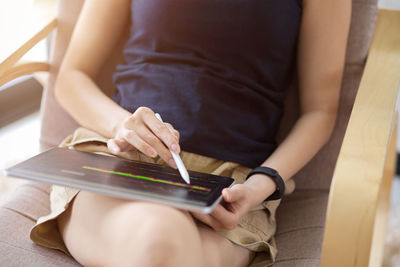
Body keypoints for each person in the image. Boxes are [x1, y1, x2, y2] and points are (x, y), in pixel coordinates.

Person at [30, 0, 351, 266]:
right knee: (159, 241)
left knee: (164, 248)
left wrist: (259, 185)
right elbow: (71, 78)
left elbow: (320, 112)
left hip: (230, 188)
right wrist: (120, 125)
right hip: (122, 160)